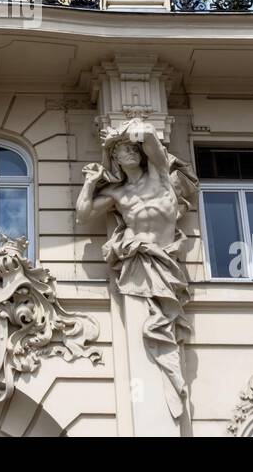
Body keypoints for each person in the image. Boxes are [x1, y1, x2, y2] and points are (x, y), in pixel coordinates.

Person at [76, 117, 196, 417]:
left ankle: (170, 383)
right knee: (148, 327)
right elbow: (83, 214)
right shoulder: (118, 194)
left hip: (166, 261)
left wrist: (120, 132)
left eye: (131, 148)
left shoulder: (159, 175)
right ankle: (166, 385)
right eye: (120, 151)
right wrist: (90, 183)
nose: (127, 152)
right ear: (114, 159)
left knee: (162, 325)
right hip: (139, 261)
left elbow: (148, 133)